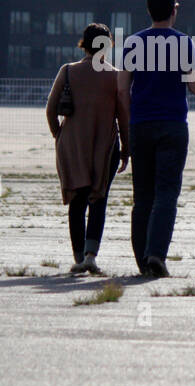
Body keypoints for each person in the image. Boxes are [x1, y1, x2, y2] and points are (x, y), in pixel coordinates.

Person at [118, 0, 195, 277]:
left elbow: (121, 87)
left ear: (149, 11)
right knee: (167, 193)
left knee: (142, 196)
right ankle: (157, 254)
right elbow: (194, 86)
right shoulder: (184, 43)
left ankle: (143, 260)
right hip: (173, 125)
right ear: (174, 10)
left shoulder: (133, 42)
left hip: (140, 125)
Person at [46, 23, 131, 275]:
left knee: (77, 200)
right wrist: (126, 148)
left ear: (83, 43)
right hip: (105, 147)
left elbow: (51, 110)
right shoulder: (116, 76)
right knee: (99, 199)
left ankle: (78, 255)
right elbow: (123, 117)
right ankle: (91, 256)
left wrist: (59, 135)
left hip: (73, 145)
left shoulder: (68, 71)